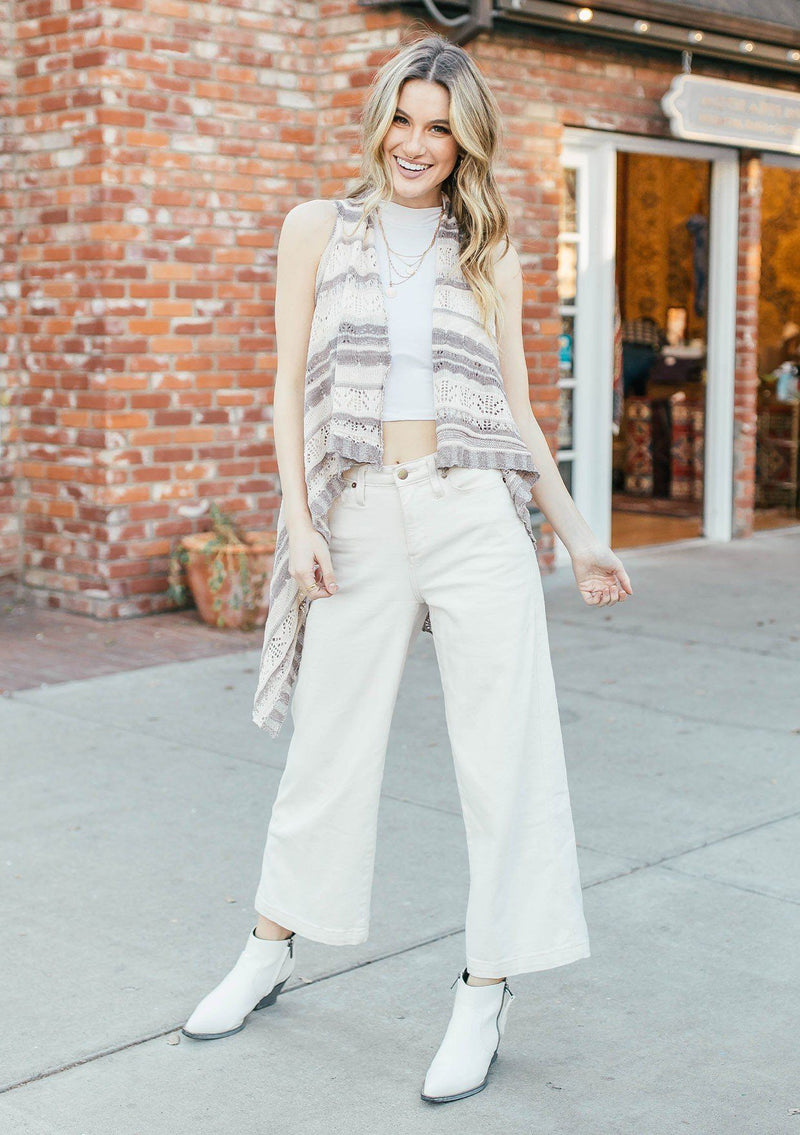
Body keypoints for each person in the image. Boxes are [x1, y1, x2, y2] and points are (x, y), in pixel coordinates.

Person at [182, 33, 633, 1104]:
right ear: (379, 118)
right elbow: (288, 385)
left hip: (474, 512)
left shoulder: (485, 248)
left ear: (463, 143)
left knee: (504, 756)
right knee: (327, 746)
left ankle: (484, 986)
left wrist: (577, 535)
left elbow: (520, 412)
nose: (416, 144)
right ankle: (268, 946)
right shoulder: (314, 229)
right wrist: (300, 520)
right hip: (358, 513)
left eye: (440, 127)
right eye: (404, 119)